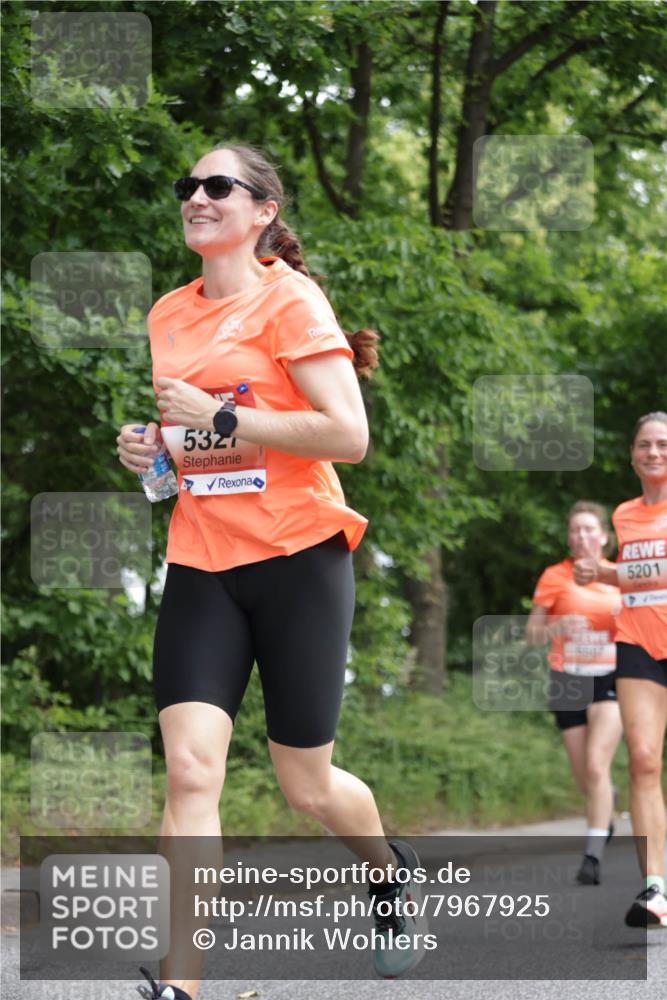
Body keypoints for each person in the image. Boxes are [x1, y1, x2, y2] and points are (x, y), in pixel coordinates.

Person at [117, 144, 428, 998]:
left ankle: (388, 872)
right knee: (190, 769)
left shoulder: (290, 302)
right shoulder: (167, 315)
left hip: (298, 558)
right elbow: (195, 450)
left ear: (262, 212)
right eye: (188, 186)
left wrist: (217, 413)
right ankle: (181, 985)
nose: (198, 196)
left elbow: (347, 436)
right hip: (201, 559)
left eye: (219, 185)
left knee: (306, 784)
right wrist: (153, 451)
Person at [574, 412, 667, 928]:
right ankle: (655, 888)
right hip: (636, 643)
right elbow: (633, 583)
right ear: (632, 454)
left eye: (662, 445)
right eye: (644, 445)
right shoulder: (625, 515)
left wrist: (610, 572)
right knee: (644, 761)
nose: (653, 453)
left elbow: (636, 572)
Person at [527, 501, 623, 885]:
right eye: (574, 531)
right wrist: (558, 625)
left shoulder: (618, 576)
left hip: (611, 676)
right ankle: (607, 804)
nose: (581, 536)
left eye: (588, 529)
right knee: (586, 777)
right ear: (569, 539)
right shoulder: (554, 576)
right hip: (567, 678)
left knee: (598, 765)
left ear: (604, 537)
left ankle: (592, 856)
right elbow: (533, 634)